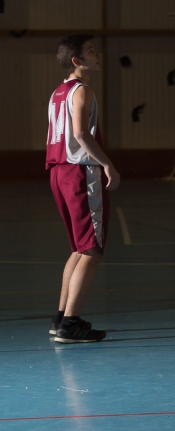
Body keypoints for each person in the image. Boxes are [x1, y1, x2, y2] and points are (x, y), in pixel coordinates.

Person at [47, 35, 120, 343]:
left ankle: (61, 318)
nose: (97, 53)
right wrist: (107, 164)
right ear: (77, 61)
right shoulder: (82, 90)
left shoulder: (58, 92)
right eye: (91, 51)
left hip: (58, 171)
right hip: (79, 172)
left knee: (79, 249)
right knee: (91, 250)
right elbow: (79, 133)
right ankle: (70, 324)